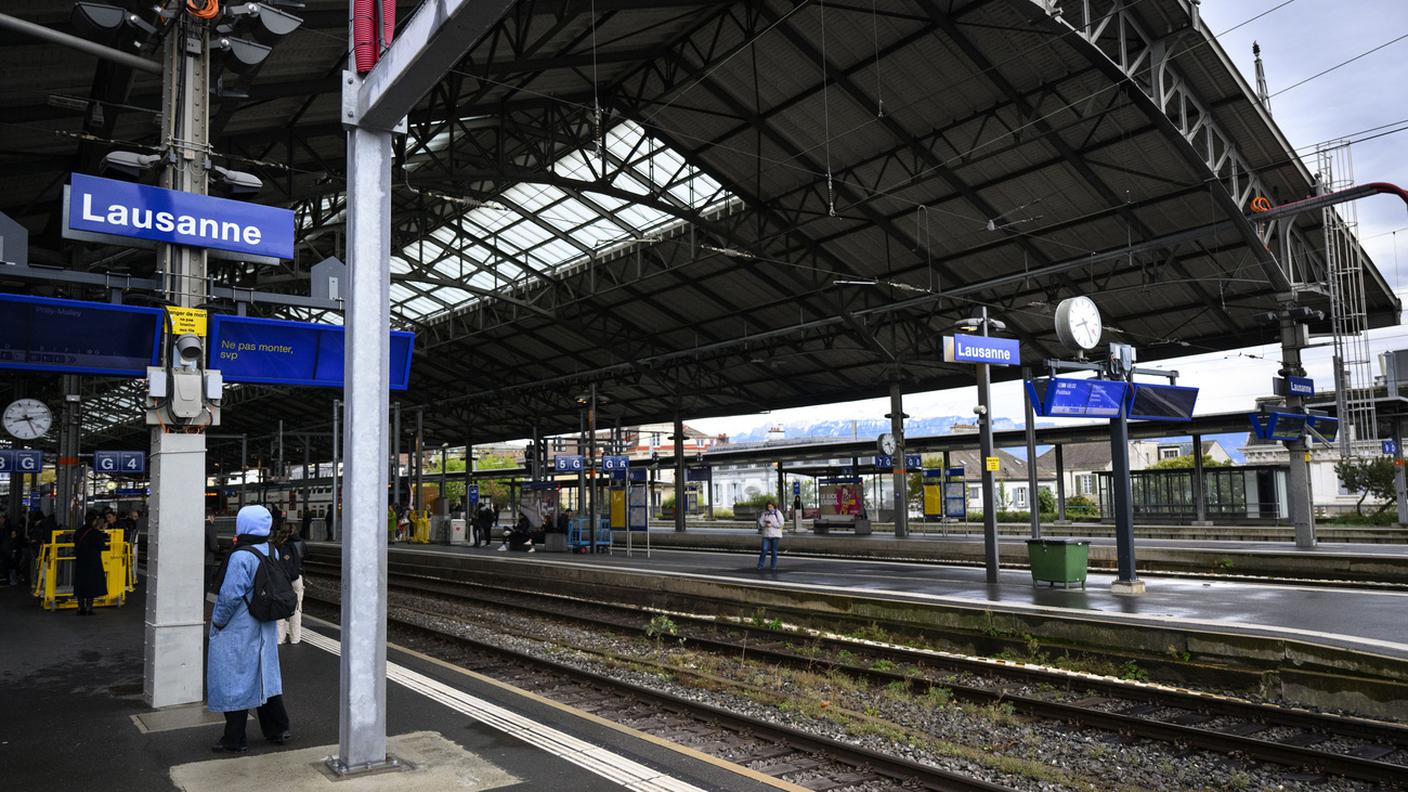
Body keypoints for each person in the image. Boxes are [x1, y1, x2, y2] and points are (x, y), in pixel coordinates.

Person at [208, 505, 290, 753]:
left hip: (240, 627)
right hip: (264, 623)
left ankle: (234, 738)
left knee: (234, 679)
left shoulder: (241, 555)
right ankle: (278, 729)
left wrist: (218, 622)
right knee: (264, 675)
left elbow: (230, 595)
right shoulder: (270, 550)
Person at [273, 524, 306, 646]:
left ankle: (279, 638)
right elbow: (304, 556)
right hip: (296, 579)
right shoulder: (297, 543)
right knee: (296, 609)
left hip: (280, 581)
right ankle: (295, 638)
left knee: (279, 609)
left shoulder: (275, 544)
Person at [73, 510, 109, 614]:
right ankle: (89, 608)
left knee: (80, 584)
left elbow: (75, 544)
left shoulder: (78, 532)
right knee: (91, 585)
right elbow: (102, 547)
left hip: (81, 562)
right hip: (93, 563)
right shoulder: (96, 533)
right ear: (94, 521)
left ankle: (80, 608)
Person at [756, 500, 784, 571]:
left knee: (774, 551)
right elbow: (760, 521)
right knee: (764, 550)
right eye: (768, 507)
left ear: (774, 506)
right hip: (766, 535)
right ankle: (760, 565)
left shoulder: (777, 513)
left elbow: (781, 523)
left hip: (775, 535)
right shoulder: (765, 513)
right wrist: (765, 524)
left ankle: (773, 566)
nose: (769, 508)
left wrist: (772, 524)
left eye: (771, 506)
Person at [204, 513, 222, 592]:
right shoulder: (210, 528)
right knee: (206, 584)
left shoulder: (199, 526)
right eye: (213, 518)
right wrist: (218, 547)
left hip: (200, 559)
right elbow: (213, 546)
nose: (214, 520)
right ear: (210, 517)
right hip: (208, 560)